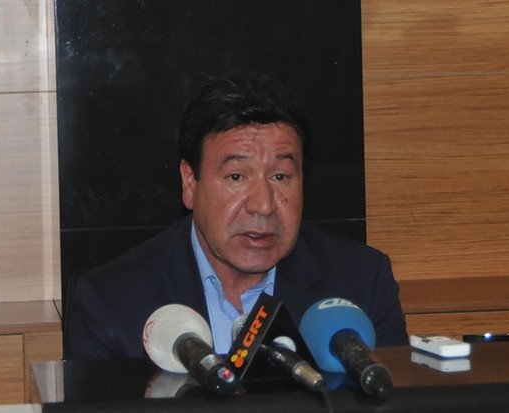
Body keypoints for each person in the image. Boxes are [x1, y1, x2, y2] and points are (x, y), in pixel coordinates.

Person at [64, 71, 408, 360]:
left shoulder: (361, 284)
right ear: (190, 182)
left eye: (280, 176)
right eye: (236, 177)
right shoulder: (113, 303)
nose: (263, 205)